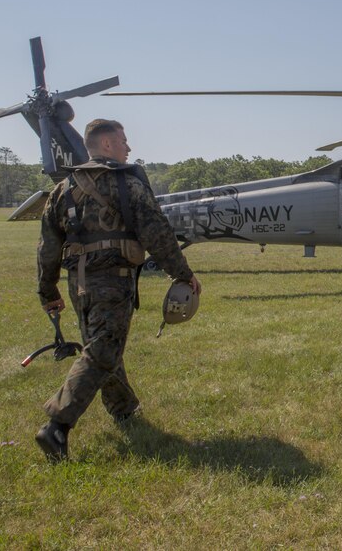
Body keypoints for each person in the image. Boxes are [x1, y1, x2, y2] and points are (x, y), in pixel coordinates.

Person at [35, 119, 202, 462]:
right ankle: (57, 425)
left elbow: (48, 246)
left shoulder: (63, 189)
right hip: (112, 279)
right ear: (107, 144)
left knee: (104, 346)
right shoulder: (127, 185)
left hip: (78, 283)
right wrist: (183, 273)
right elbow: (157, 233)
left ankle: (123, 410)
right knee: (103, 350)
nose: (128, 147)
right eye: (124, 141)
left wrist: (47, 289)